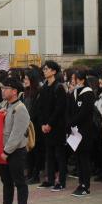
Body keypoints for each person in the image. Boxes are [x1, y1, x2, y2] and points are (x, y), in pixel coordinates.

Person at [0, 78, 31, 204]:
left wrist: (6, 152)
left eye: (6, 88)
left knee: (19, 182)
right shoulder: (3, 104)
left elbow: (17, 134)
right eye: (2, 88)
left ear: (14, 91)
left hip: (15, 152)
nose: (3, 90)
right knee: (6, 180)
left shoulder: (20, 108)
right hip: (3, 150)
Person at [34, 61, 70, 189]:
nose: (44, 71)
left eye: (47, 69)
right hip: (46, 127)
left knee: (59, 155)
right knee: (48, 154)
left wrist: (49, 123)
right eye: (44, 69)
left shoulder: (59, 87)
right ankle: (50, 179)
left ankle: (61, 182)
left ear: (54, 71)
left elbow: (59, 109)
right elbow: (40, 108)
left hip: (57, 127)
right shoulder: (44, 87)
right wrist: (43, 124)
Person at [69, 75, 98, 196]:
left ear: (81, 80)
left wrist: (72, 122)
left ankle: (86, 185)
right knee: (78, 158)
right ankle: (81, 183)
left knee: (84, 159)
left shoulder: (88, 93)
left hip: (85, 131)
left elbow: (84, 113)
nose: (72, 81)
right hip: (75, 131)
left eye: (74, 79)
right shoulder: (75, 92)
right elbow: (70, 110)